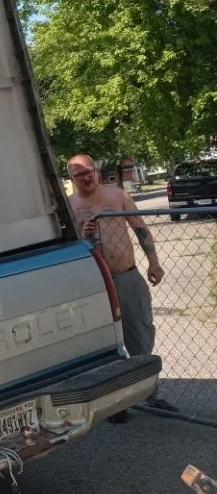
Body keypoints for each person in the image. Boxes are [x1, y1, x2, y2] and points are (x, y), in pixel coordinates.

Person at [66, 154, 176, 418]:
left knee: (141, 332)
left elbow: (140, 229)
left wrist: (154, 263)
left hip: (126, 276)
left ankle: (150, 393)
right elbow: (67, 245)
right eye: (78, 174)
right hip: (93, 284)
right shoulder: (69, 206)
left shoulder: (117, 197)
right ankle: (116, 402)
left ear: (96, 170)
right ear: (71, 179)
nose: (85, 177)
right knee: (104, 342)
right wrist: (84, 234)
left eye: (88, 171)